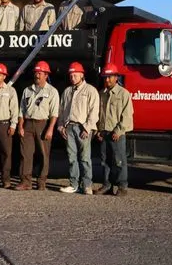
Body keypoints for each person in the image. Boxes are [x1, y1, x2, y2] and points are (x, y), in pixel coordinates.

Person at [16, 61, 59, 191]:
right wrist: (20, 126)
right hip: (28, 124)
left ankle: (41, 181)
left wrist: (50, 129)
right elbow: (21, 110)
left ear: (46, 75)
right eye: (36, 72)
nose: (37, 75)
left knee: (43, 154)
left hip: (43, 124)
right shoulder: (27, 90)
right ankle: (25, 181)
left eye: (40, 73)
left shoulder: (52, 91)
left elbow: (54, 113)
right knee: (26, 154)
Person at [57, 62, 100, 194]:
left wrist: (87, 128)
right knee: (72, 158)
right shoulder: (67, 91)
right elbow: (62, 110)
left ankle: (87, 185)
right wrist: (61, 125)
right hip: (69, 127)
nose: (72, 77)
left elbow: (94, 111)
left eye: (75, 75)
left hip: (83, 129)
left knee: (85, 158)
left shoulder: (90, 91)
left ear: (82, 75)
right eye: (71, 75)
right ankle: (73, 184)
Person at [96, 63, 134, 196]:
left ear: (116, 77)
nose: (107, 80)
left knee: (119, 161)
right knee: (105, 161)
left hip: (116, 134)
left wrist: (118, 131)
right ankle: (107, 185)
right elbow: (99, 114)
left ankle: (122, 186)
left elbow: (127, 115)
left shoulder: (123, 94)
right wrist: (98, 131)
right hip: (104, 133)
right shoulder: (101, 94)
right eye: (105, 77)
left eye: (110, 77)